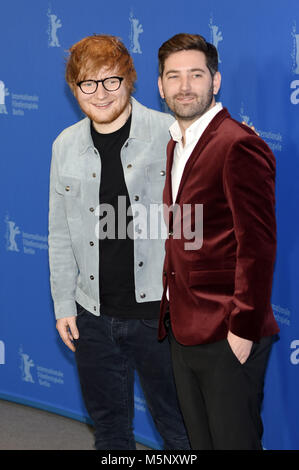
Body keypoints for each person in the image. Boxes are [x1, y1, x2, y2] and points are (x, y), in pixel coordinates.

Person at [48, 34, 189, 450]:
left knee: (180, 430)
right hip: (91, 315)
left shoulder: (170, 133)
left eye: (111, 81)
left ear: (130, 80)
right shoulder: (64, 146)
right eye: (87, 83)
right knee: (109, 430)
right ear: (75, 90)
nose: (100, 93)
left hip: (160, 316)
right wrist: (63, 305)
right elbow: (59, 233)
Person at [157, 33, 279, 450]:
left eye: (196, 74)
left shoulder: (238, 144)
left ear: (216, 81)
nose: (184, 86)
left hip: (228, 330)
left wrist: (242, 330)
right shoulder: (177, 143)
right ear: (160, 86)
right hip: (185, 327)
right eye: (174, 76)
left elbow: (258, 246)